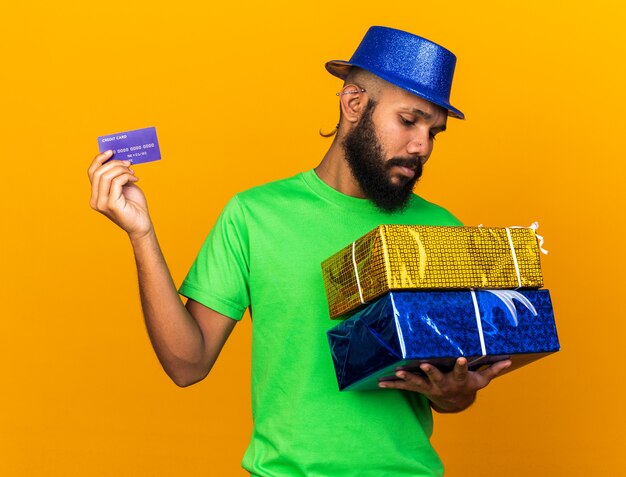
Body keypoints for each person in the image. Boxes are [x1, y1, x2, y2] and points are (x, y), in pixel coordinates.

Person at [88, 26, 511, 477]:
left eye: (434, 131)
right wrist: (141, 234)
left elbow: (456, 387)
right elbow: (187, 364)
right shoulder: (255, 215)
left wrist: (455, 393)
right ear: (353, 104)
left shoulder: (442, 229)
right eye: (408, 121)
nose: (422, 146)